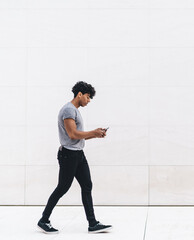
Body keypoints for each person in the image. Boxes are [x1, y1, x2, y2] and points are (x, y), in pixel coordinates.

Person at [37, 81, 112, 234]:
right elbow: (72, 135)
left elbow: (78, 137)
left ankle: (92, 223)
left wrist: (96, 135)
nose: (89, 100)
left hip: (78, 154)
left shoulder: (75, 111)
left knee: (87, 185)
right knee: (62, 188)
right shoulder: (68, 110)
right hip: (68, 155)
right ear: (79, 94)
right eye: (88, 97)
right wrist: (93, 132)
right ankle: (44, 220)